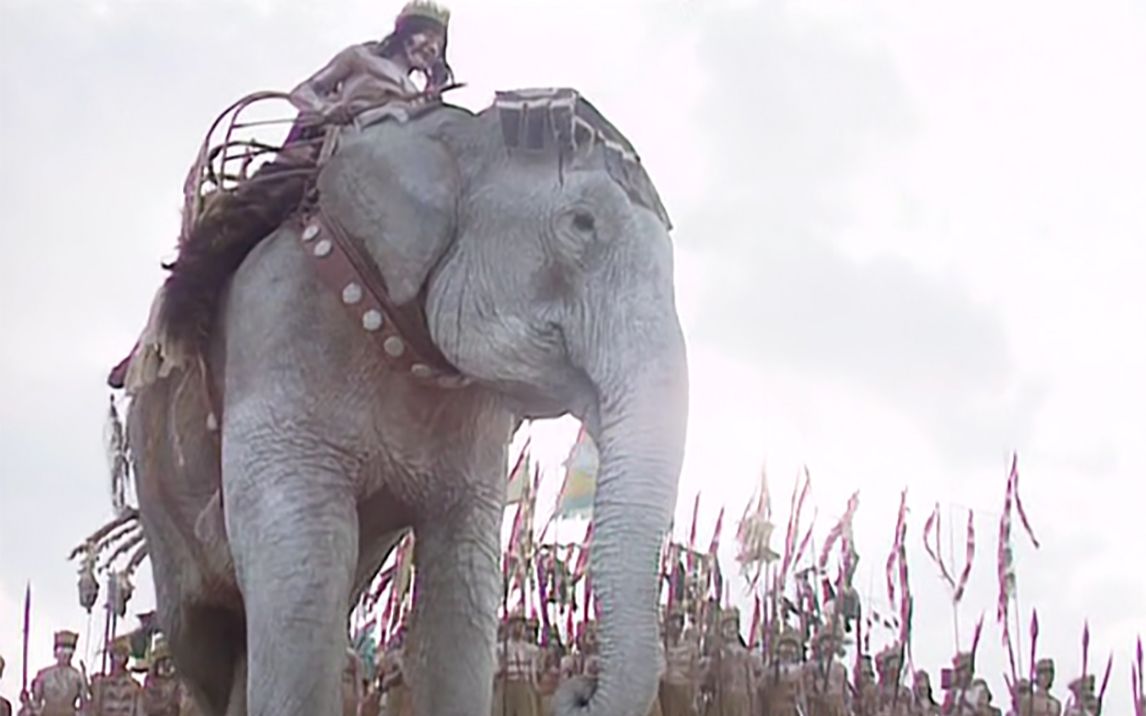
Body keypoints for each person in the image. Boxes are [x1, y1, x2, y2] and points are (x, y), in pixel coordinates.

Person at [107, 0, 455, 391]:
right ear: (405, 32)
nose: (430, 49)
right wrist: (330, 109)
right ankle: (153, 337)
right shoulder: (359, 58)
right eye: (427, 37)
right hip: (324, 155)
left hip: (378, 172)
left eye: (438, 46)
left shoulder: (417, 93)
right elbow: (304, 91)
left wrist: (434, 94)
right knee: (237, 223)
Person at [22, 631, 89, 716]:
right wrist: (27, 702)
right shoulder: (43, 675)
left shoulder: (79, 677)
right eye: (61, 651)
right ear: (56, 653)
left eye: (68, 652)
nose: (65, 655)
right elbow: (36, 703)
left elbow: (84, 705)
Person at [88, 636, 141, 716]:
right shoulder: (101, 684)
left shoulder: (133, 686)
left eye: (122, 655)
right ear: (111, 656)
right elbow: (95, 709)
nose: (119, 659)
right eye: (116, 654)